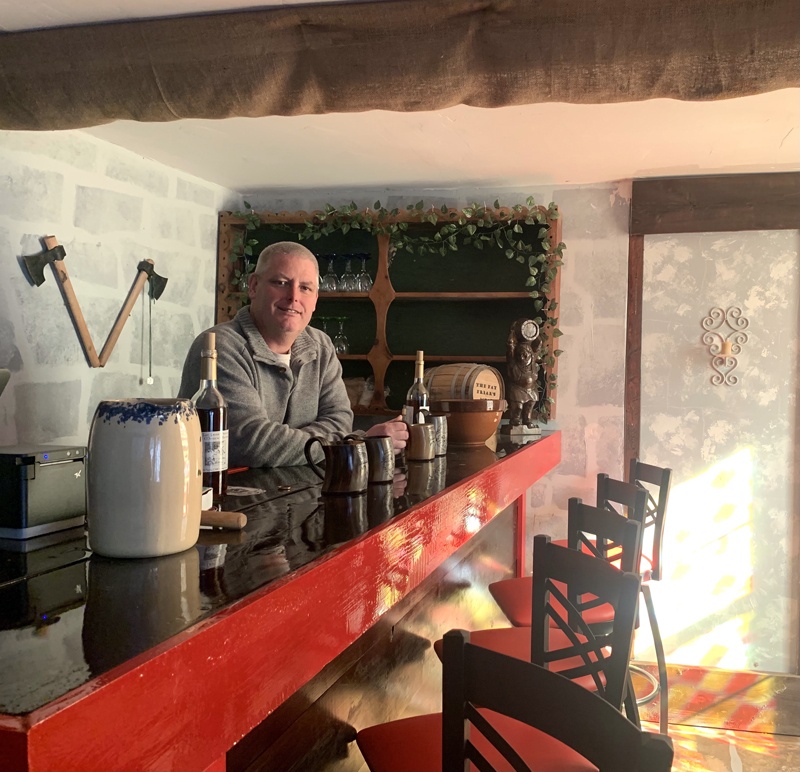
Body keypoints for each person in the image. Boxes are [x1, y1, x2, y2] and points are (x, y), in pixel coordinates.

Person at [179, 241, 408, 467]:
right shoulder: (218, 348)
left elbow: (339, 421)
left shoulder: (321, 346)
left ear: (315, 300)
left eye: (305, 288)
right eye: (280, 282)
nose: (293, 297)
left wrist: (324, 441)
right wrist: (354, 444)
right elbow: (252, 443)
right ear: (254, 287)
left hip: (298, 494)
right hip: (222, 498)